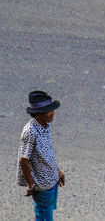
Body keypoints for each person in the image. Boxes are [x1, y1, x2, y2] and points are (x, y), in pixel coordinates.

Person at [16, 91, 65, 221]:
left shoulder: (46, 125)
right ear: (38, 114)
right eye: (48, 111)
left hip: (52, 180)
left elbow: (47, 152)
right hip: (42, 186)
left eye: (52, 109)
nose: (52, 113)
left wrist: (57, 171)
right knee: (45, 217)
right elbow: (23, 160)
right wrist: (31, 185)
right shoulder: (30, 132)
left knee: (42, 216)